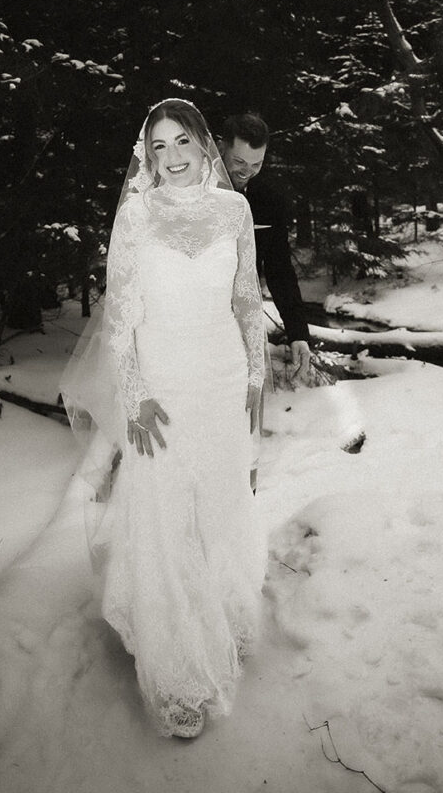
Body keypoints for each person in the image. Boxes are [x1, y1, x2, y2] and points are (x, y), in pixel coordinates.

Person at [61, 99, 267, 740]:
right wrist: (135, 393)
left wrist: (256, 376)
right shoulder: (135, 216)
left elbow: (245, 299)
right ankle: (176, 668)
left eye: (183, 142)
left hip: (223, 379)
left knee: (221, 505)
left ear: (206, 145)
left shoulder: (236, 210)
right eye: (159, 147)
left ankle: (224, 615)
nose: (172, 158)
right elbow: (120, 316)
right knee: (166, 517)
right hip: (162, 391)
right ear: (146, 155)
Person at [219, 114, 311, 378]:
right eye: (238, 161)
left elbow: (280, 270)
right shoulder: (193, 188)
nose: (247, 172)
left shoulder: (270, 199)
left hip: (244, 324)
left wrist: (297, 333)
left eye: (256, 164)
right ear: (221, 146)